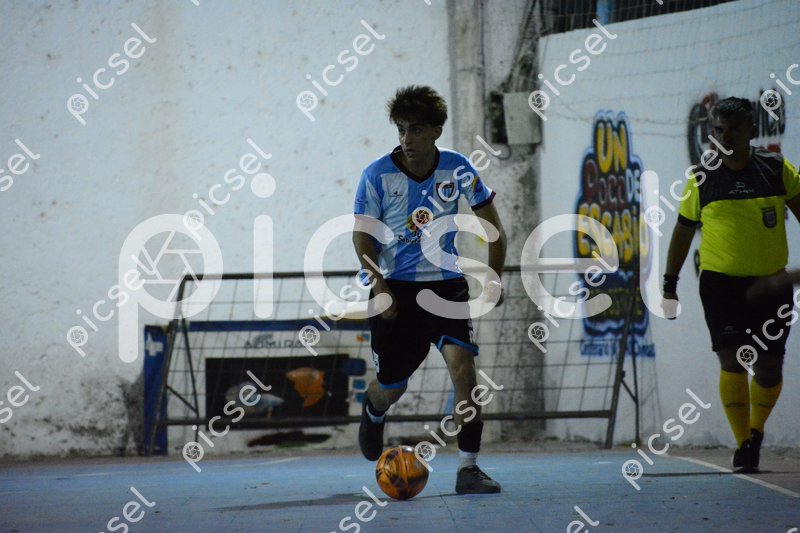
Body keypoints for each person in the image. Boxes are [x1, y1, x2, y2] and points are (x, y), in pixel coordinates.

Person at [352, 85, 507, 493]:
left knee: (464, 372)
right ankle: (374, 408)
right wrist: (379, 284)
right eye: (401, 129)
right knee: (393, 386)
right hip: (396, 291)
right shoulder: (376, 175)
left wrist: (494, 278)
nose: (407, 138)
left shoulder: (457, 169)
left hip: (446, 288)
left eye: (416, 129)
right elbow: (362, 238)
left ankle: (468, 469)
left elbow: (494, 229)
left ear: (437, 131)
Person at [663, 96, 800, 473]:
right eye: (717, 130)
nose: (724, 137)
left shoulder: (776, 169)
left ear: (752, 131)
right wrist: (669, 285)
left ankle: (757, 430)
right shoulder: (701, 178)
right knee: (732, 358)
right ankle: (743, 444)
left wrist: (793, 275)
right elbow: (682, 232)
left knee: (769, 367)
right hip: (720, 285)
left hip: (772, 285)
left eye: (733, 130)